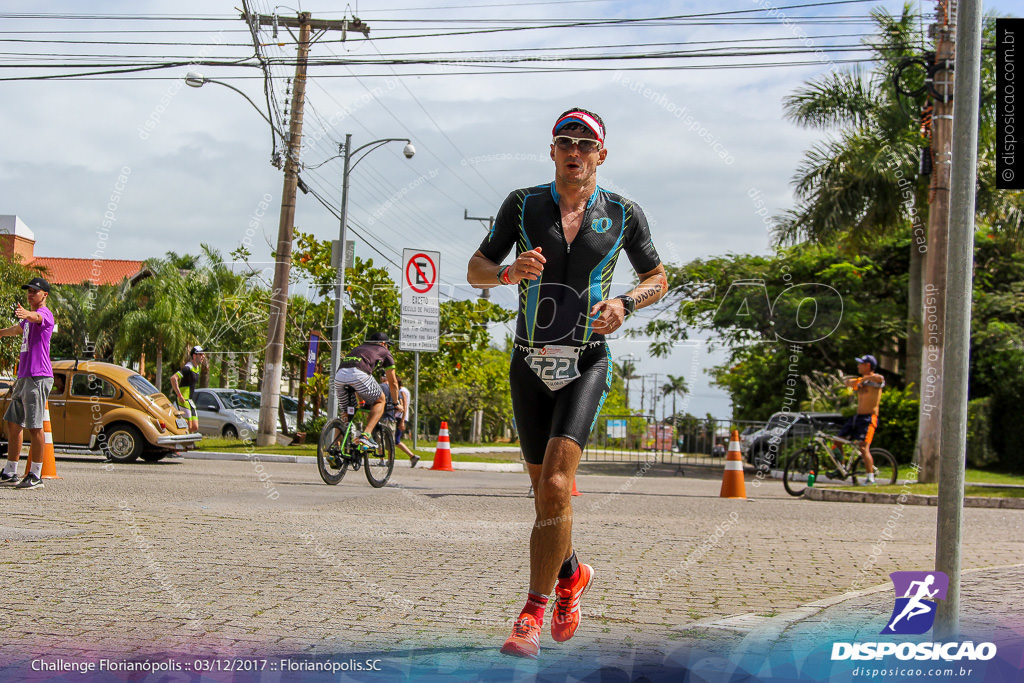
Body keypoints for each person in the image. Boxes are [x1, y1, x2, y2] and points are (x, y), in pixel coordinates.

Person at [467, 108, 668, 659]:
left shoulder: (623, 214)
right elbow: (476, 268)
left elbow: (658, 277)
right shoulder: (523, 205)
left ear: (602, 154)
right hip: (528, 361)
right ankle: (572, 575)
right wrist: (509, 272)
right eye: (564, 141)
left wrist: (626, 303)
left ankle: (530, 615)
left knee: (556, 485)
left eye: (585, 143)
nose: (574, 150)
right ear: (552, 150)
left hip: (586, 361)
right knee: (544, 499)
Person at [0, 277, 55, 489]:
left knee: (35, 426)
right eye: (28, 291)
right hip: (23, 377)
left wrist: (27, 314)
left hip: (38, 376)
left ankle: (36, 474)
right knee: (13, 423)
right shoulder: (27, 320)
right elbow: (17, 329)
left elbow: (36, 317)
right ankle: (10, 471)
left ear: (44, 295)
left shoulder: (44, 314)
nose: (30, 294)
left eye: (34, 291)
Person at [335, 332, 400, 450]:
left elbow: (354, 383)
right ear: (383, 344)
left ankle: (335, 449)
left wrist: (361, 401)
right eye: (388, 346)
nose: (388, 349)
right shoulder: (384, 351)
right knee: (380, 400)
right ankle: (366, 436)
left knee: (346, 413)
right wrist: (396, 403)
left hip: (339, 376)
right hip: (359, 374)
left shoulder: (359, 348)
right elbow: (393, 382)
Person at [837, 354, 884, 484]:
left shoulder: (875, 382)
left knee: (863, 448)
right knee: (837, 441)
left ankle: (870, 478)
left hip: (869, 419)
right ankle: (841, 468)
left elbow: (880, 378)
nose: (858, 366)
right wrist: (859, 381)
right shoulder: (860, 381)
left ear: (868, 365)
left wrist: (863, 380)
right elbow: (848, 382)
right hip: (857, 418)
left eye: (860, 364)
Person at [170, 346, 207, 433]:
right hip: (183, 400)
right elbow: (173, 378)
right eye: (201, 354)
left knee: (194, 426)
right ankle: (184, 444)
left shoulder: (197, 368)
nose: (203, 356)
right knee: (188, 426)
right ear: (194, 356)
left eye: (203, 354)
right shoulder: (188, 368)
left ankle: (188, 443)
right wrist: (179, 395)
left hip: (190, 400)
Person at [384, 377, 419, 467]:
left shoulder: (402, 391)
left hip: (400, 417)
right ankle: (409, 457)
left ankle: (411, 456)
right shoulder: (404, 390)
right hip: (400, 417)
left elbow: (404, 405)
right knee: (394, 440)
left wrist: (402, 420)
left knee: (394, 440)